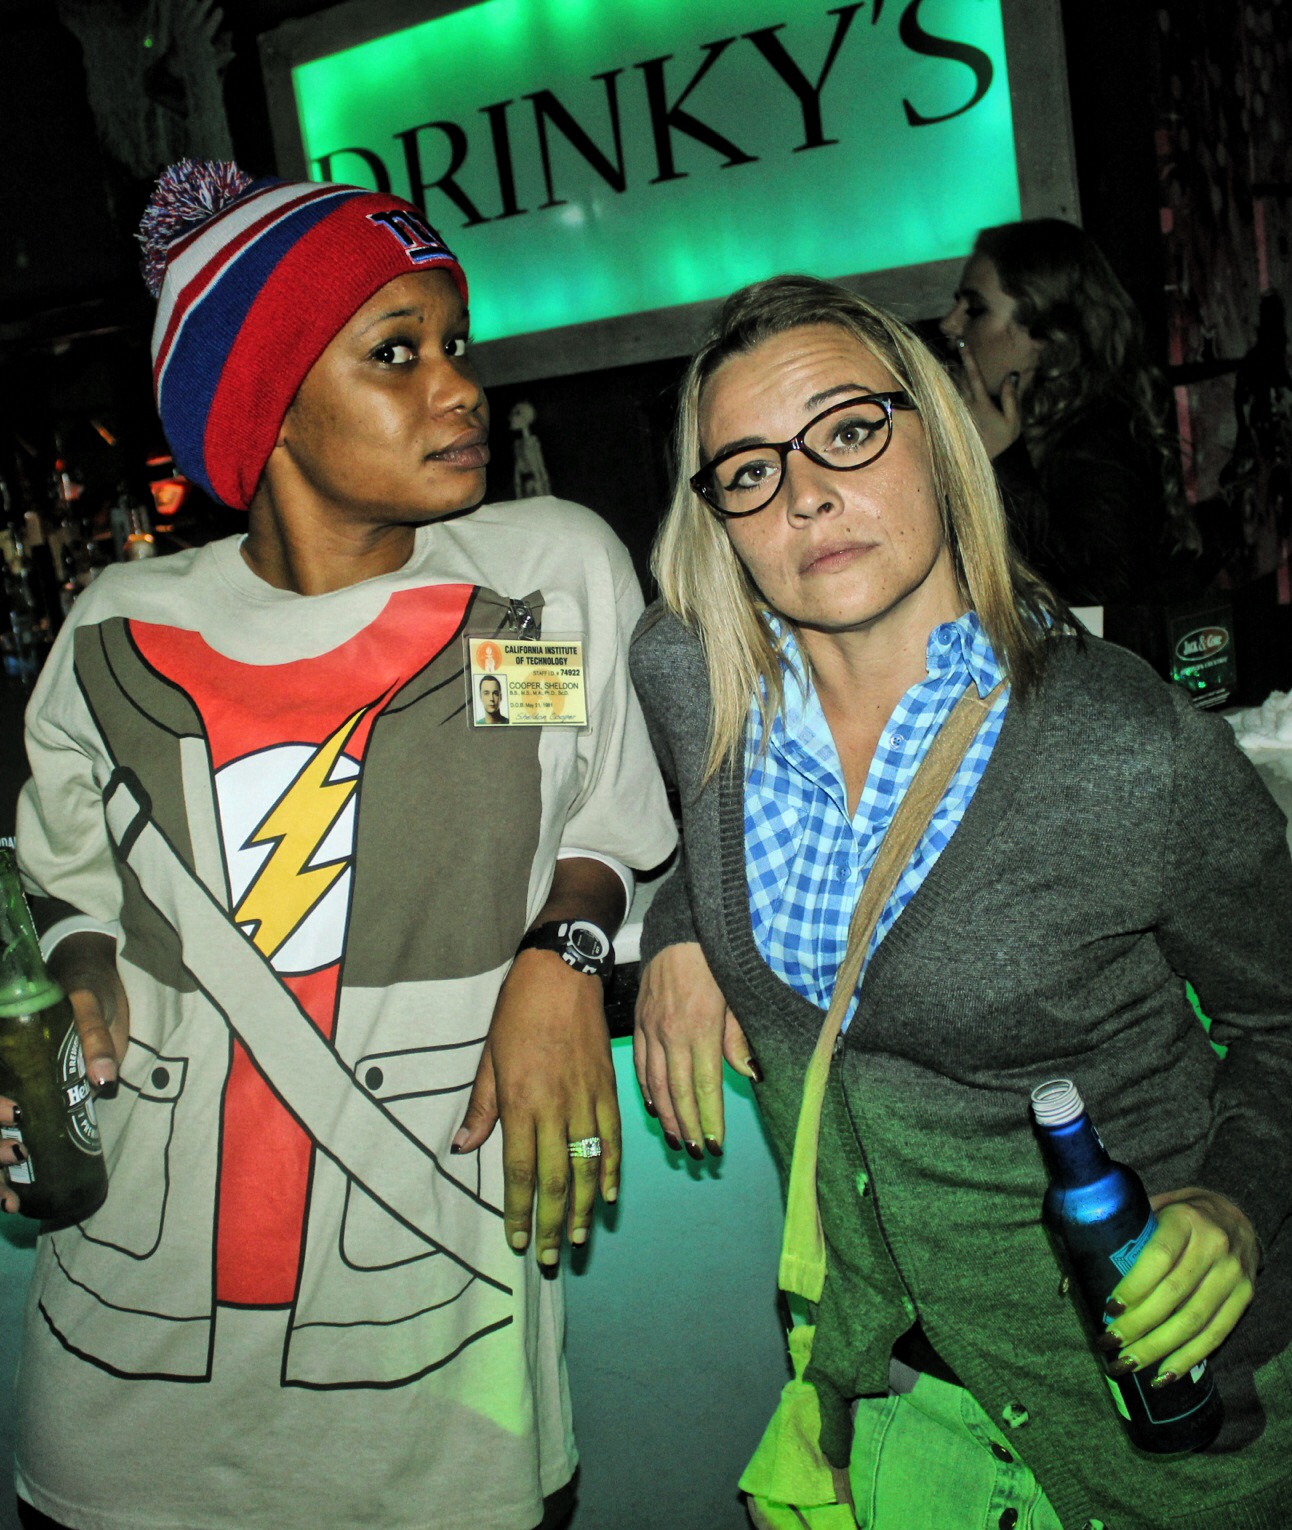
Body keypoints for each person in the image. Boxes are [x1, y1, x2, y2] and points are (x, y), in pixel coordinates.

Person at [1, 160, 675, 1530]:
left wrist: (562, 952)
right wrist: (75, 971)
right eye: (397, 352)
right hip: (128, 1366)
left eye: (457, 344)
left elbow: (606, 817)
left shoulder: (536, 583)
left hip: (436, 1379)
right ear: (268, 403)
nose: (460, 386)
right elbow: (61, 882)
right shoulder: (117, 628)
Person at [630, 273, 1292, 1528]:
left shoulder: (1123, 743)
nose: (805, 493)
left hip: (1161, 1421)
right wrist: (679, 929)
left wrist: (1233, 1204)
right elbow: (707, 838)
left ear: (935, 438)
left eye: (847, 432)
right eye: (750, 471)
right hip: (892, 1417)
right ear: (717, 518)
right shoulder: (688, 676)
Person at [939, 218, 1197, 606]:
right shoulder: (1035, 425)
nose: (950, 324)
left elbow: (1101, 593)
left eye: (975, 309)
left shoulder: (1100, 437)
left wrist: (1004, 463)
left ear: (1046, 332)